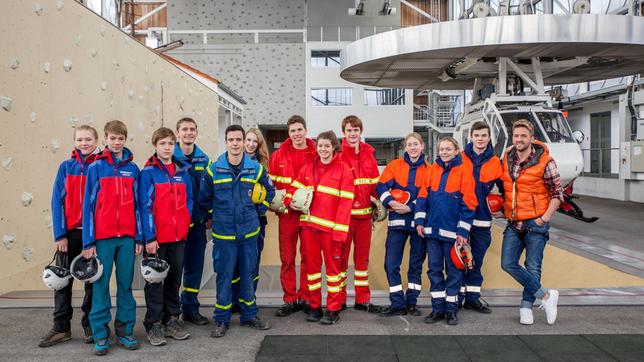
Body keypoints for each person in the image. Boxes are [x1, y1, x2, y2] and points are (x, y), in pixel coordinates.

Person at [197, 125, 275, 338]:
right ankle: (221, 320)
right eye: (231, 139)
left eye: (238, 140)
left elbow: (270, 191)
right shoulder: (214, 169)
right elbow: (204, 200)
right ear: (226, 141)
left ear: (243, 142)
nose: (235, 143)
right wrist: (215, 216)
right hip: (224, 236)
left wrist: (257, 209)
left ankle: (250, 315)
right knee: (224, 277)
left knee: (249, 275)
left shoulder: (255, 168)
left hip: (249, 233)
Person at [82, 120, 142, 355]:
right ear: (105, 139)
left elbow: (138, 206)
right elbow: (88, 207)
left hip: (127, 238)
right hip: (103, 238)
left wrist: (138, 237)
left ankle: (125, 331)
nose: (116, 142)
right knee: (101, 287)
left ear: (125, 140)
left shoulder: (133, 169)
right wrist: (88, 241)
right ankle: (100, 335)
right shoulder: (96, 168)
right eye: (112, 138)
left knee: (126, 286)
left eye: (121, 138)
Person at [39, 125, 100, 348]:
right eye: (80, 139)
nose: (84, 143)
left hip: (93, 236)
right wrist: (60, 235)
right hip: (69, 235)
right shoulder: (66, 167)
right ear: (75, 142)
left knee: (91, 282)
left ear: (96, 140)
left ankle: (90, 324)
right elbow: (57, 202)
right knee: (62, 282)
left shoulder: (101, 166)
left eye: (88, 139)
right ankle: (61, 327)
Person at [285, 130, 354, 325]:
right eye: (320, 146)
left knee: (333, 271)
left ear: (334, 147)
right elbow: (293, 188)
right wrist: (290, 200)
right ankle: (314, 307)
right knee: (312, 270)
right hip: (309, 228)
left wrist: (340, 232)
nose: (323, 149)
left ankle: (333, 308)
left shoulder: (343, 170)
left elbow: (345, 204)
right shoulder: (308, 168)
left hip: (331, 231)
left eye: (326, 146)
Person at [498, 120, 563, 325]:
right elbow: (507, 188)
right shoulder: (507, 158)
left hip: (536, 222)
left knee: (533, 266)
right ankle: (546, 296)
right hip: (514, 223)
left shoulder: (546, 161)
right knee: (507, 264)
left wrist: (544, 218)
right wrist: (504, 209)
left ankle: (526, 308)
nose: (519, 139)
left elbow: (557, 193)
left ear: (531, 138)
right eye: (516, 136)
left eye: (523, 136)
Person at [139, 127, 193, 346]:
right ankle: (153, 325)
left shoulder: (183, 171)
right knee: (155, 282)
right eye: (162, 143)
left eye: (170, 143)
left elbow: (189, 199)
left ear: (175, 145)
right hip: (156, 240)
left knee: (174, 280)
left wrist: (185, 224)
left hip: (178, 237)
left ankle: (171, 320)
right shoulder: (148, 173)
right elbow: (144, 206)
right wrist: (149, 237)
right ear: (155, 146)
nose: (167, 147)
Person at [415, 137, 477, 326]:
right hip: (432, 232)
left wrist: (462, 231)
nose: (444, 152)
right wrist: (419, 221)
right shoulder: (432, 170)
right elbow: (422, 197)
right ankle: (437, 309)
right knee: (434, 271)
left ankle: (451, 310)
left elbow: (469, 203)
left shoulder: (465, 171)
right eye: (442, 149)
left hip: (453, 235)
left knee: (454, 272)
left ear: (456, 150)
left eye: (448, 149)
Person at [376, 133, 429, 317]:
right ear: (405, 147)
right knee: (391, 264)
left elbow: (427, 194)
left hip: (418, 224)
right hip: (397, 224)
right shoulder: (394, 166)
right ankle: (397, 303)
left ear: (422, 146)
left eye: (416, 144)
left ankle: (411, 302)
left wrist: (410, 207)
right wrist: (390, 202)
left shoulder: (429, 170)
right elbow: (380, 186)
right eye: (410, 144)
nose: (413, 147)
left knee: (416, 265)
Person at [269, 115, 316, 317]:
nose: (297, 134)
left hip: (309, 214)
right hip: (287, 215)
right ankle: (290, 299)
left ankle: (305, 297)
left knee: (308, 257)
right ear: (289, 133)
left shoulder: (316, 152)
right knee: (287, 258)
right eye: (293, 131)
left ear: (305, 130)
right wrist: (274, 204)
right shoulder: (278, 155)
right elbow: (272, 186)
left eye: (299, 130)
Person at [458, 121, 503, 313]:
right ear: (471, 137)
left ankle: (472, 299)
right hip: (459, 220)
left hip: (482, 220)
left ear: (489, 137)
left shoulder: (495, 162)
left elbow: (506, 190)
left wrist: (504, 210)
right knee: (458, 260)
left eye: (484, 135)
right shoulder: (459, 158)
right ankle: (456, 298)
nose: (480, 139)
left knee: (476, 261)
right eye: (477, 135)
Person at [338, 115, 381, 313]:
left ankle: (362, 300)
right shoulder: (338, 155)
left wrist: (386, 199)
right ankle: (338, 299)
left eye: (356, 130)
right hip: (344, 219)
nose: (353, 133)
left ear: (360, 132)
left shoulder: (369, 155)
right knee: (341, 260)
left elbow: (374, 186)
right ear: (343, 133)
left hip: (364, 219)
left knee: (362, 261)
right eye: (349, 130)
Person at [174, 117, 211, 326]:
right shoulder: (170, 157)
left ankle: (190, 308)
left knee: (194, 269)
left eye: (192, 129)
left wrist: (209, 216)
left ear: (196, 133)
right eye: (184, 129)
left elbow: (208, 191)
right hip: (175, 227)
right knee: (174, 269)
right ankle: (172, 312)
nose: (188, 133)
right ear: (177, 133)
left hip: (197, 225)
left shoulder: (204, 160)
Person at [231, 128, 271, 311]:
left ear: (259, 145)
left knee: (252, 262)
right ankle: (234, 300)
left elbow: (269, 193)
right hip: (234, 221)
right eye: (248, 140)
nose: (250, 144)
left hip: (256, 221)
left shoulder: (261, 167)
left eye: (255, 141)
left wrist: (258, 210)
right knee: (235, 262)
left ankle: (249, 299)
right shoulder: (232, 162)